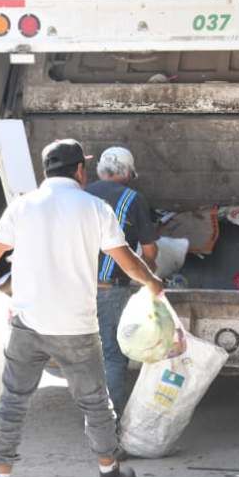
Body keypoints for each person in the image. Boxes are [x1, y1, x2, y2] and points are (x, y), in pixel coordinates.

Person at [0, 138, 163, 477]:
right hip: (76, 327)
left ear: (47, 171)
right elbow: (127, 262)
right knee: (95, 404)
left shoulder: (23, 206)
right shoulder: (96, 209)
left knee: (12, 403)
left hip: (27, 324)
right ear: (80, 171)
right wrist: (153, 283)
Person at [85, 146, 159, 417]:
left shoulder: (79, 196)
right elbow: (149, 251)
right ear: (128, 173)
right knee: (113, 357)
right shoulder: (133, 199)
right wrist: (149, 275)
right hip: (109, 291)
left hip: (74, 289)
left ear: (99, 170)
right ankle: (108, 426)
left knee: (81, 356)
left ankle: (91, 416)